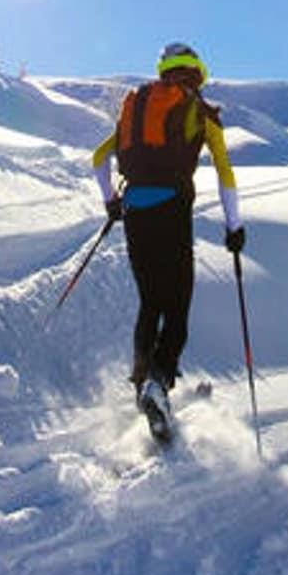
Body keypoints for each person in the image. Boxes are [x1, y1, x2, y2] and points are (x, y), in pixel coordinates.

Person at [91, 41, 244, 436]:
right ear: (195, 74)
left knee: (150, 302)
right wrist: (234, 227)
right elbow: (225, 173)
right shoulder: (200, 111)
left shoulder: (139, 108)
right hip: (172, 210)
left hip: (135, 212)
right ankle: (157, 383)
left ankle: (143, 384)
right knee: (177, 307)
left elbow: (98, 159)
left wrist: (111, 203)